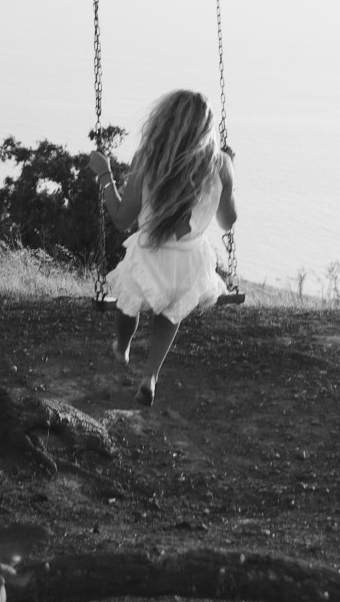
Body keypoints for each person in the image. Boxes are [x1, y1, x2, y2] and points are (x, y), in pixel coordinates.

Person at [87, 89, 237, 407]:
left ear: (163, 121)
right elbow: (227, 221)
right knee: (171, 311)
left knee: (129, 300)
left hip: (148, 257)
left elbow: (120, 218)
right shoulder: (221, 165)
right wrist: (229, 182)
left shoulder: (148, 160)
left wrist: (104, 175)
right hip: (191, 266)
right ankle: (151, 376)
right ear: (206, 129)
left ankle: (122, 345)